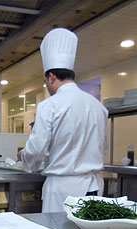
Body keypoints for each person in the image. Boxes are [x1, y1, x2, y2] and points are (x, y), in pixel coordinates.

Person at [17, 28, 108, 213]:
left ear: (51, 77)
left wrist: (23, 156)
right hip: (94, 187)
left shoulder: (49, 106)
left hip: (63, 192)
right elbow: (102, 147)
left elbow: (35, 154)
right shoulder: (98, 106)